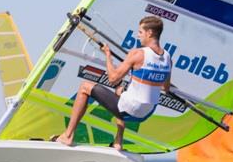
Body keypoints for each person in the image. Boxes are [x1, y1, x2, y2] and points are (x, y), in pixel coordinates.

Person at [55, 15, 171, 150]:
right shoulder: (167, 58)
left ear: (150, 33)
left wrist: (108, 55)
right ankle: (118, 142)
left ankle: (68, 135)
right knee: (121, 92)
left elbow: (113, 78)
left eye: (140, 32)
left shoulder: (138, 54)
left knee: (85, 87)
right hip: (146, 113)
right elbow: (166, 88)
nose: (137, 35)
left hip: (130, 110)